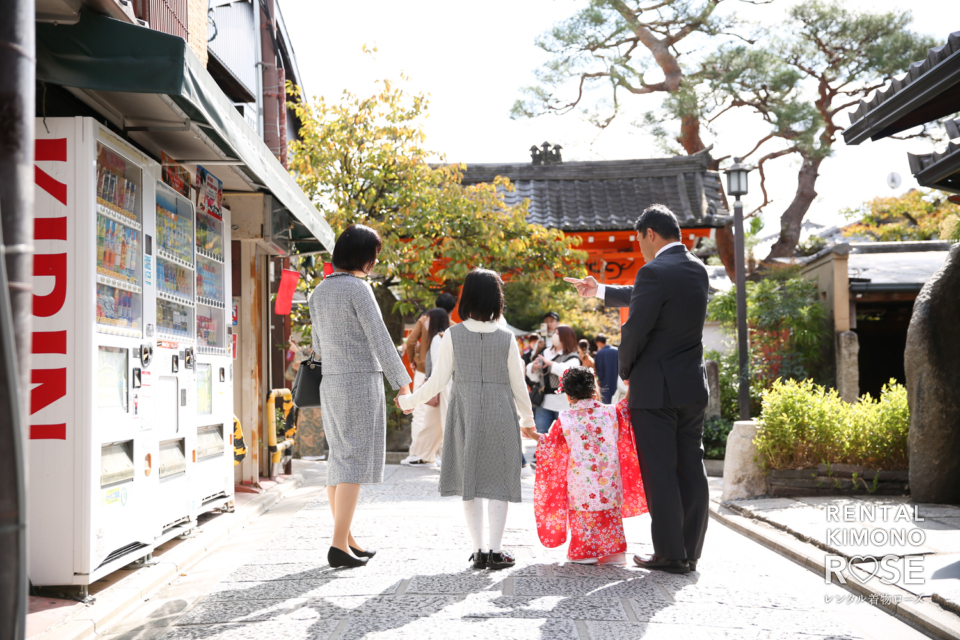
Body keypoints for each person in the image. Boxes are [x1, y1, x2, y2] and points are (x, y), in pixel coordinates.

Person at [566, 204, 710, 575]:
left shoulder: (654, 271)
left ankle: (669, 554)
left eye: (639, 240)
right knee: (691, 468)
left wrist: (626, 370)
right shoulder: (697, 269)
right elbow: (648, 294)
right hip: (691, 385)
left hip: (656, 389)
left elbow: (635, 329)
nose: (640, 248)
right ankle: (689, 551)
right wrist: (600, 291)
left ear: (650, 234)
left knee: (660, 471)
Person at [398, 269, 538, 570]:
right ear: (496, 300)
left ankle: (478, 551)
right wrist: (527, 419)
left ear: (467, 298)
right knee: (499, 481)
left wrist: (409, 401)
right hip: (501, 412)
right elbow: (518, 383)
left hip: (465, 412)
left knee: (470, 481)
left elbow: (437, 381)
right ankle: (496, 551)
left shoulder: (452, 335)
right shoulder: (506, 338)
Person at [309, 223, 412, 569]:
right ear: (364, 257)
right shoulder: (358, 289)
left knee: (338, 459)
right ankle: (338, 544)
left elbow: (318, 348)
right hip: (358, 382)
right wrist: (402, 382)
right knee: (352, 462)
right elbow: (380, 338)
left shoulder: (318, 292)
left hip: (331, 382)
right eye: (374, 255)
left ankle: (346, 538)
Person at [534, 367, 647, 564]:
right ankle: (614, 554)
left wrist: (531, 433)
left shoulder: (565, 419)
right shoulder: (611, 413)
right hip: (608, 482)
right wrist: (632, 381)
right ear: (594, 391)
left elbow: (550, 444)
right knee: (609, 514)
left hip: (581, 485)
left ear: (569, 397)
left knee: (583, 515)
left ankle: (585, 553)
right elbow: (626, 404)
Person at [402, 293, 457, 466]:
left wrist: (413, 360)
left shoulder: (424, 320)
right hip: (445, 379)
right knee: (441, 414)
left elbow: (410, 342)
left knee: (419, 413)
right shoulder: (454, 327)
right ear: (453, 308)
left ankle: (418, 453)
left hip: (423, 373)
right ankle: (431, 453)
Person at [526, 325, 581, 434]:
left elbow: (568, 372)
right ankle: (541, 452)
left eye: (557, 334)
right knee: (540, 433)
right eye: (554, 333)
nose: (554, 336)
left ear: (566, 337)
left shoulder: (572, 357)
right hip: (544, 400)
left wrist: (550, 363)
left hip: (564, 402)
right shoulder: (545, 352)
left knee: (566, 434)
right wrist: (533, 367)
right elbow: (536, 377)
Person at [593, 334, 619, 404]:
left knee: (606, 403)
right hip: (617, 380)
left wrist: (598, 380)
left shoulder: (600, 353)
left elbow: (599, 369)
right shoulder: (617, 350)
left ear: (598, 343)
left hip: (605, 381)